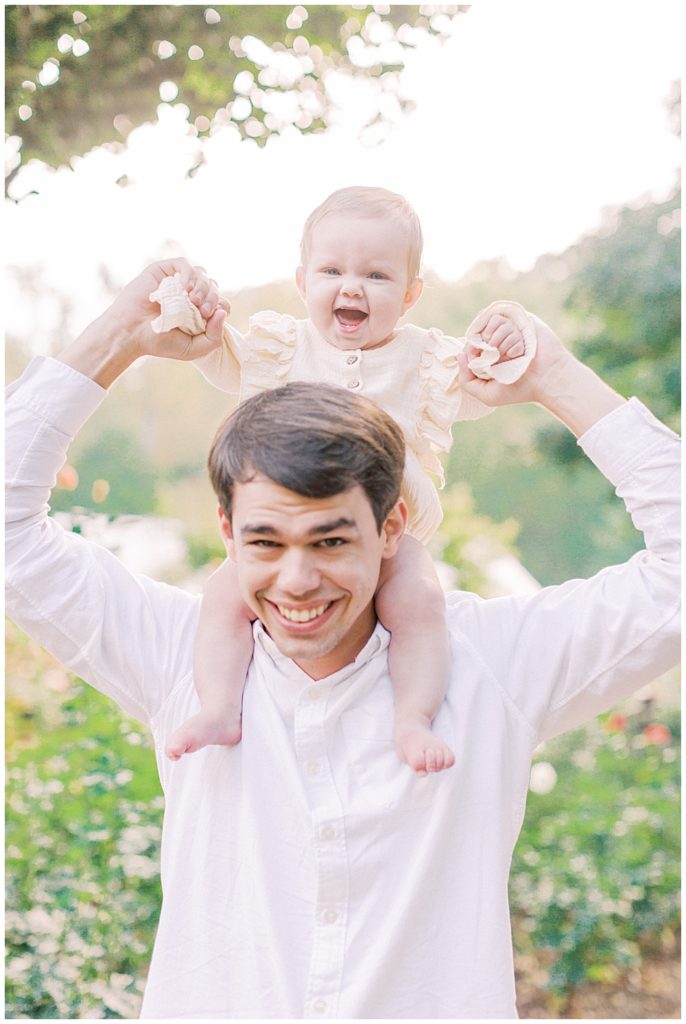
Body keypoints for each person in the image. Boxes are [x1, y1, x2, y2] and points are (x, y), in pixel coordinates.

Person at [5, 258, 679, 1019]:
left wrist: (556, 377)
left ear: (391, 528)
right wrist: (120, 337)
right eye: (265, 543)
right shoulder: (178, 655)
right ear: (226, 531)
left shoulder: (491, 665)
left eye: (329, 542)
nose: (296, 581)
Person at [157, 186, 538, 774]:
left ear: (410, 294)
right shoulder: (283, 347)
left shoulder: (425, 360)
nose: (351, 287)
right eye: (331, 270)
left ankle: (412, 716)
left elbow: (481, 394)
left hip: (388, 529)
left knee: (418, 601)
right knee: (221, 595)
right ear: (303, 281)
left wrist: (499, 347)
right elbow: (221, 359)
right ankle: (219, 705)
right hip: (292, 526)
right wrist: (194, 311)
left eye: (377, 276)